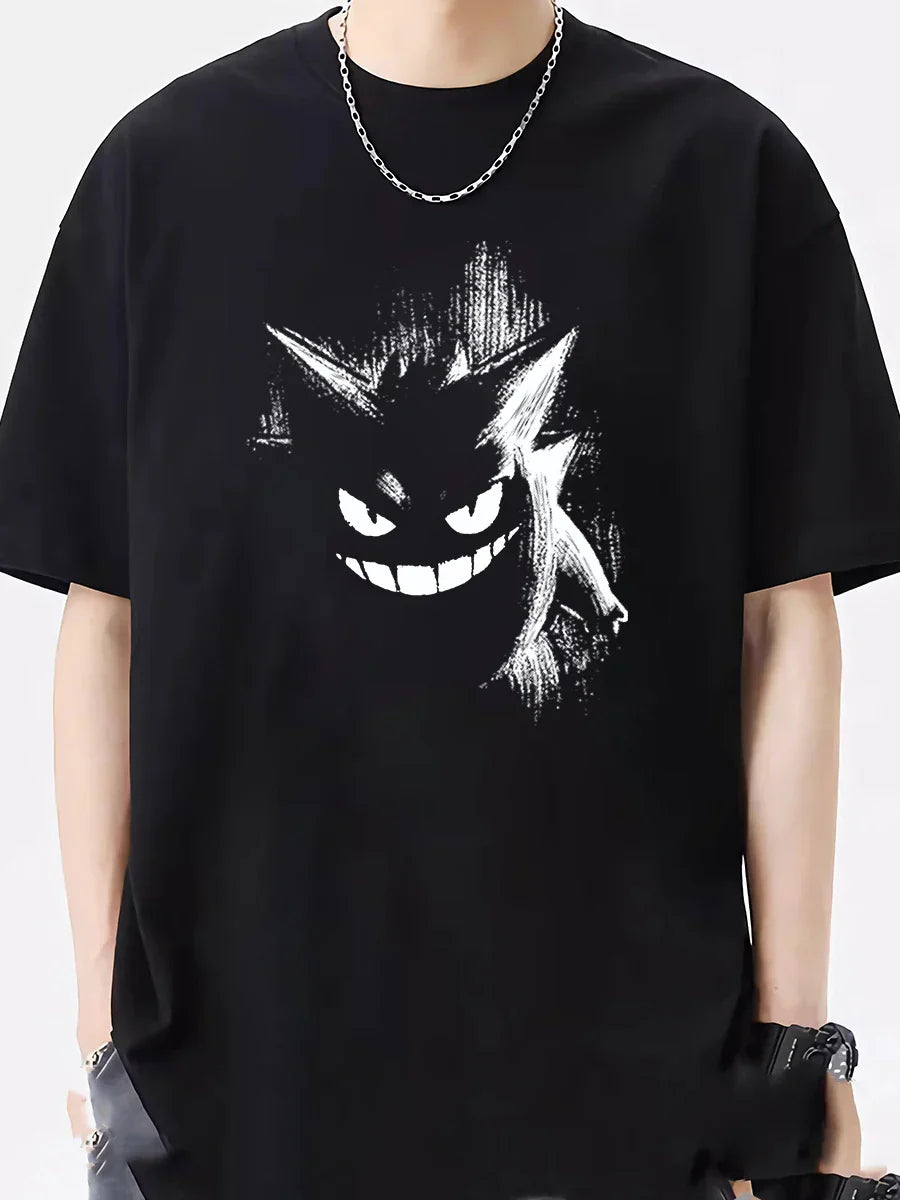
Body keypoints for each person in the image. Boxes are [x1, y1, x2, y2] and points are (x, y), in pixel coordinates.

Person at [1, 0, 899, 1197]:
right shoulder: (160, 176)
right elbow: (102, 619)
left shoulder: (727, 173)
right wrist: (101, 1026)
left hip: (631, 1100)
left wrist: (792, 1050)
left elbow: (786, 621)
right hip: (238, 1098)